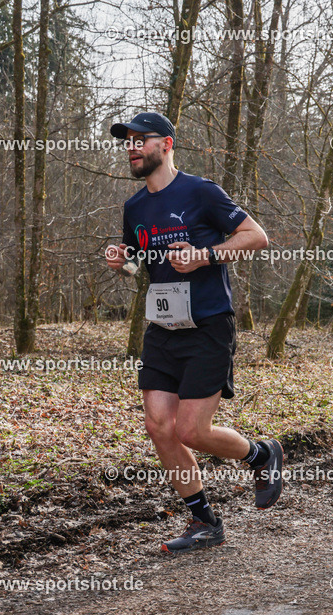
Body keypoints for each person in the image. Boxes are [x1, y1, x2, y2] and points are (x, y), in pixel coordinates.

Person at [105, 112, 284, 553]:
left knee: (190, 430)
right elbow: (140, 264)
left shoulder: (201, 192)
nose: (131, 147)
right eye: (126, 142)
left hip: (208, 326)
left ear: (165, 145)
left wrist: (205, 254)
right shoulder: (134, 207)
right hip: (163, 327)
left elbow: (256, 237)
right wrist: (120, 262)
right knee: (158, 426)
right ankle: (204, 521)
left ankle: (261, 455)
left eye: (139, 140)